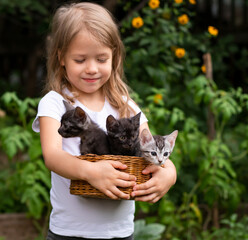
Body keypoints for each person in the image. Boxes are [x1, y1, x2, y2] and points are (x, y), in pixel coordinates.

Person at [32, 2, 177, 239]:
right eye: (80, 60)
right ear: (61, 58)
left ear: (114, 58)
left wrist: (169, 172)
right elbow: (52, 156)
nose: (91, 68)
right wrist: (91, 172)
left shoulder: (125, 105)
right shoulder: (55, 102)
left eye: (101, 59)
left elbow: (149, 147)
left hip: (120, 233)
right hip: (69, 233)